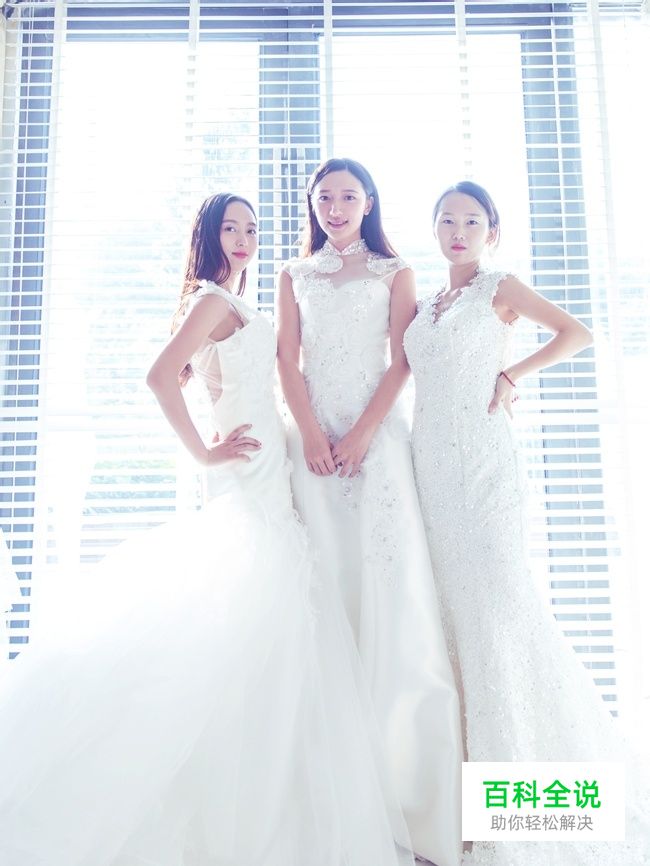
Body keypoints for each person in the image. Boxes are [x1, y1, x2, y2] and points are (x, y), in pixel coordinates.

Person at [0, 192, 415, 866]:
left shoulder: (234, 301)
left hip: (270, 463)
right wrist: (204, 451)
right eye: (231, 228)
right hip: (249, 469)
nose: (244, 237)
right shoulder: (212, 301)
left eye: (252, 227)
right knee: (256, 604)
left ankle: (262, 780)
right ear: (209, 235)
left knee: (264, 616)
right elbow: (160, 376)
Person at [403, 180, 648, 865]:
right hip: (428, 472)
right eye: (447, 220)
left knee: (498, 620)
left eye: (471, 221)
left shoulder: (498, 288)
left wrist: (511, 376)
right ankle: (455, 807)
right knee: (452, 626)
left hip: (483, 470)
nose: (458, 231)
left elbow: (577, 333)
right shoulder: (426, 305)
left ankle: (520, 813)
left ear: (492, 232)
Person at [277, 158, 463, 866]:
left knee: (394, 599)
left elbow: (402, 362)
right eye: (324, 196)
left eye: (347, 196)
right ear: (312, 204)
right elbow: (286, 361)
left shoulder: (396, 271)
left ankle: (410, 806)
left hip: (376, 446)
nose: (335, 207)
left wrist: (360, 435)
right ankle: (330, 802)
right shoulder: (295, 274)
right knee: (324, 597)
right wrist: (313, 435)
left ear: (368, 201)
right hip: (312, 446)